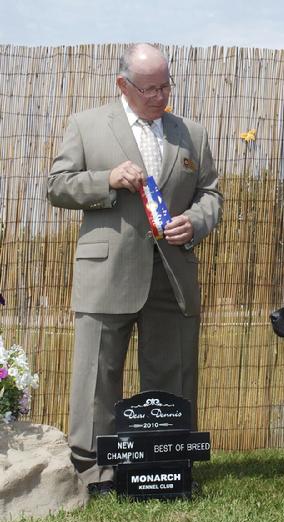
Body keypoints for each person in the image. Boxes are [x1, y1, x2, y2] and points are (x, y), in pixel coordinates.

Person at [47, 43, 223, 494]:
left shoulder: (193, 134)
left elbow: (211, 195)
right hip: (106, 273)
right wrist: (105, 179)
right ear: (123, 85)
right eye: (150, 88)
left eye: (167, 85)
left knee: (173, 371)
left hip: (172, 273)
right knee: (97, 375)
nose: (161, 96)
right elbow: (57, 186)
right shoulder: (86, 125)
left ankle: (167, 466)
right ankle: (93, 470)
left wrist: (196, 222)